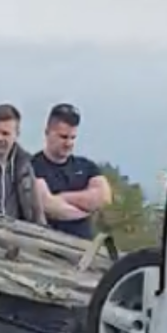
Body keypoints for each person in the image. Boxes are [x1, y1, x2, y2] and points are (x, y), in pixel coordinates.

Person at [31, 103, 114, 240]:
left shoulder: (86, 167)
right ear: (47, 133)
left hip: (84, 250)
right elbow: (50, 207)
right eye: (63, 137)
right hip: (48, 248)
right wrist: (87, 210)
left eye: (73, 138)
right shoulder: (33, 166)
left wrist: (63, 198)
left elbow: (104, 198)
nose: (69, 143)